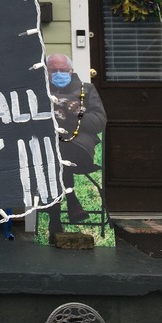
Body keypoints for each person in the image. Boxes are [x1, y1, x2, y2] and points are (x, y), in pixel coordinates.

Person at [46, 53, 107, 241]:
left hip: (79, 148)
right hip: (51, 149)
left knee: (56, 157)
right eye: (53, 71)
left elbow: (100, 122)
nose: (58, 74)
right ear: (46, 72)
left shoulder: (86, 90)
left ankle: (56, 219)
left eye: (62, 70)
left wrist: (77, 113)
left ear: (71, 71)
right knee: (53, 161)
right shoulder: (41, 91)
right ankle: (71, 204)